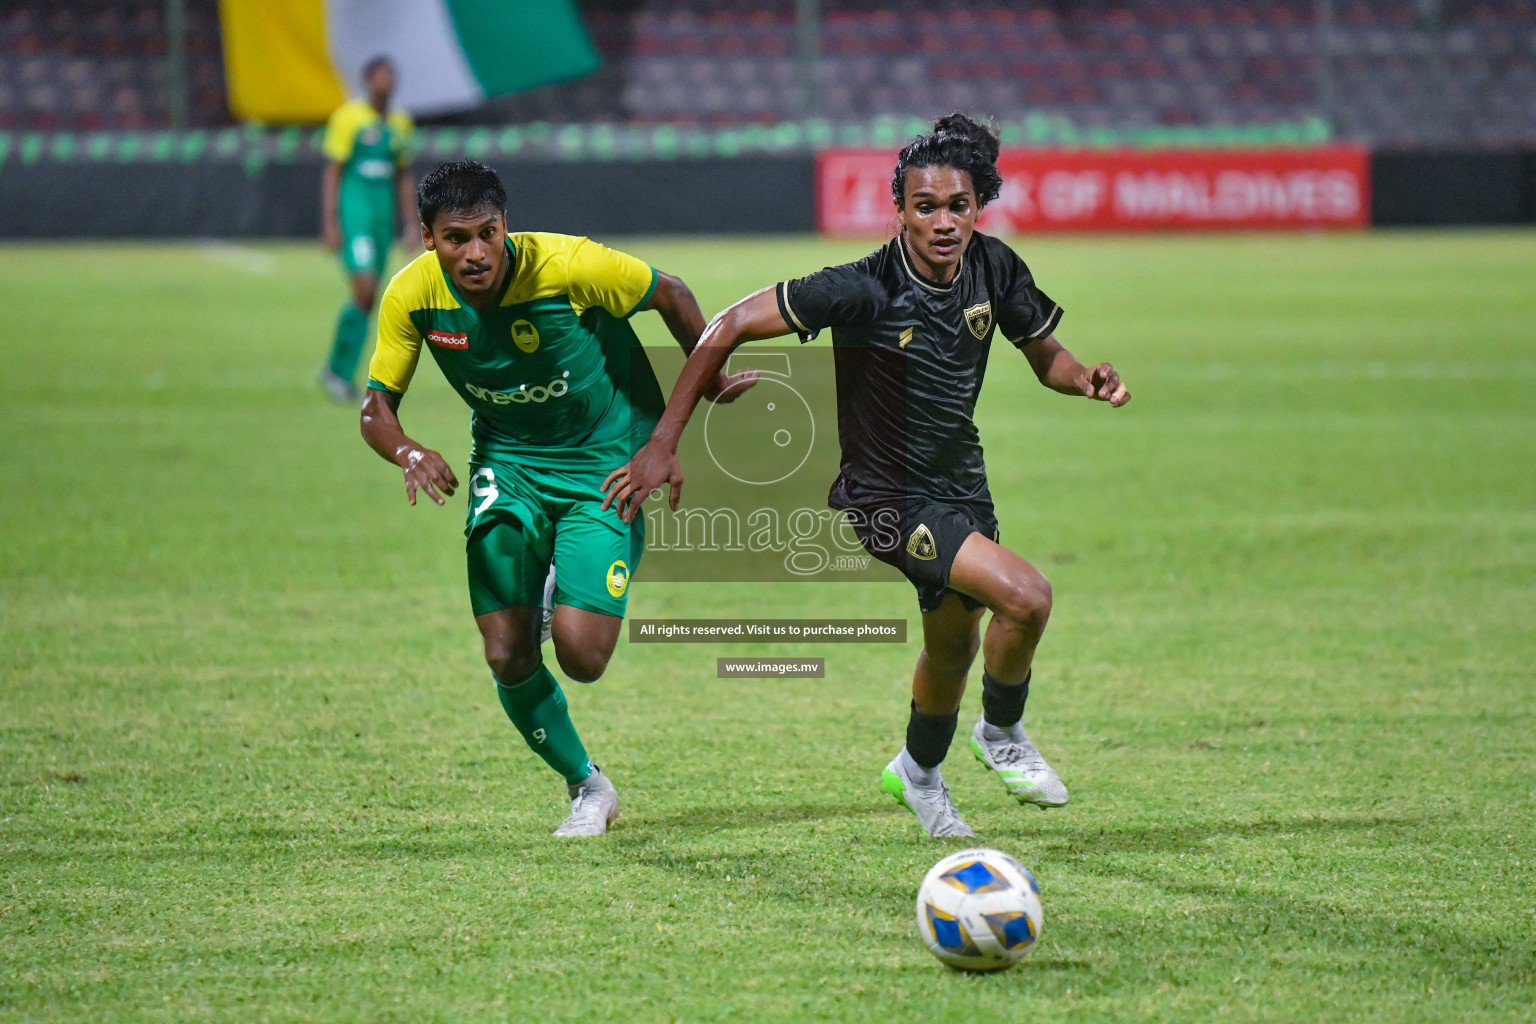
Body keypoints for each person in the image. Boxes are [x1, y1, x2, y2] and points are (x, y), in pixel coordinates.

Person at [601, 114, 1130, 838]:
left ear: (979, 207)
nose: (943, 222)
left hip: (962, 485)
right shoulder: (861, 289)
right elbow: (725, 323)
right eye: (925, 207)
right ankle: (1001, 733)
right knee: (1028, 598)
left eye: (958, 206)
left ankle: (917, 774)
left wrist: (1086, 377)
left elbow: (1047, 356)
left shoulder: (996, 268)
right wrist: (666, 439)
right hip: (888, 497)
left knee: (953, 646)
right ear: (898, 210)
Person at [359, 160, 755, 836]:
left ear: (506, 224)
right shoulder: (411, 295)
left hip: (605, 458)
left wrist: (699, 396)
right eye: (457, 238)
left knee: (583, 657)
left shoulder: (569, 266)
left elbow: (675, 293)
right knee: (505, 652)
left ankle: (556, 590)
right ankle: (588, 787)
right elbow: (375, 408)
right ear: (428, 238)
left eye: (489, 232)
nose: (477, 252)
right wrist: (409, 451)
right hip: (508, 463)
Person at [318, 56, 416, 402]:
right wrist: (330, 222)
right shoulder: (349, 119)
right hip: (355, 219)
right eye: (380, 76)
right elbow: (333, 171)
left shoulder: (401, 123)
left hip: (381, 223)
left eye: (391, 75)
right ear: (367, 81)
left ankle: (335, 371)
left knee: (370, 297)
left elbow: (403, 176)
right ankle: (337, 372)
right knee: (364, 290)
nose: (386, 81)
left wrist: (410, 224)